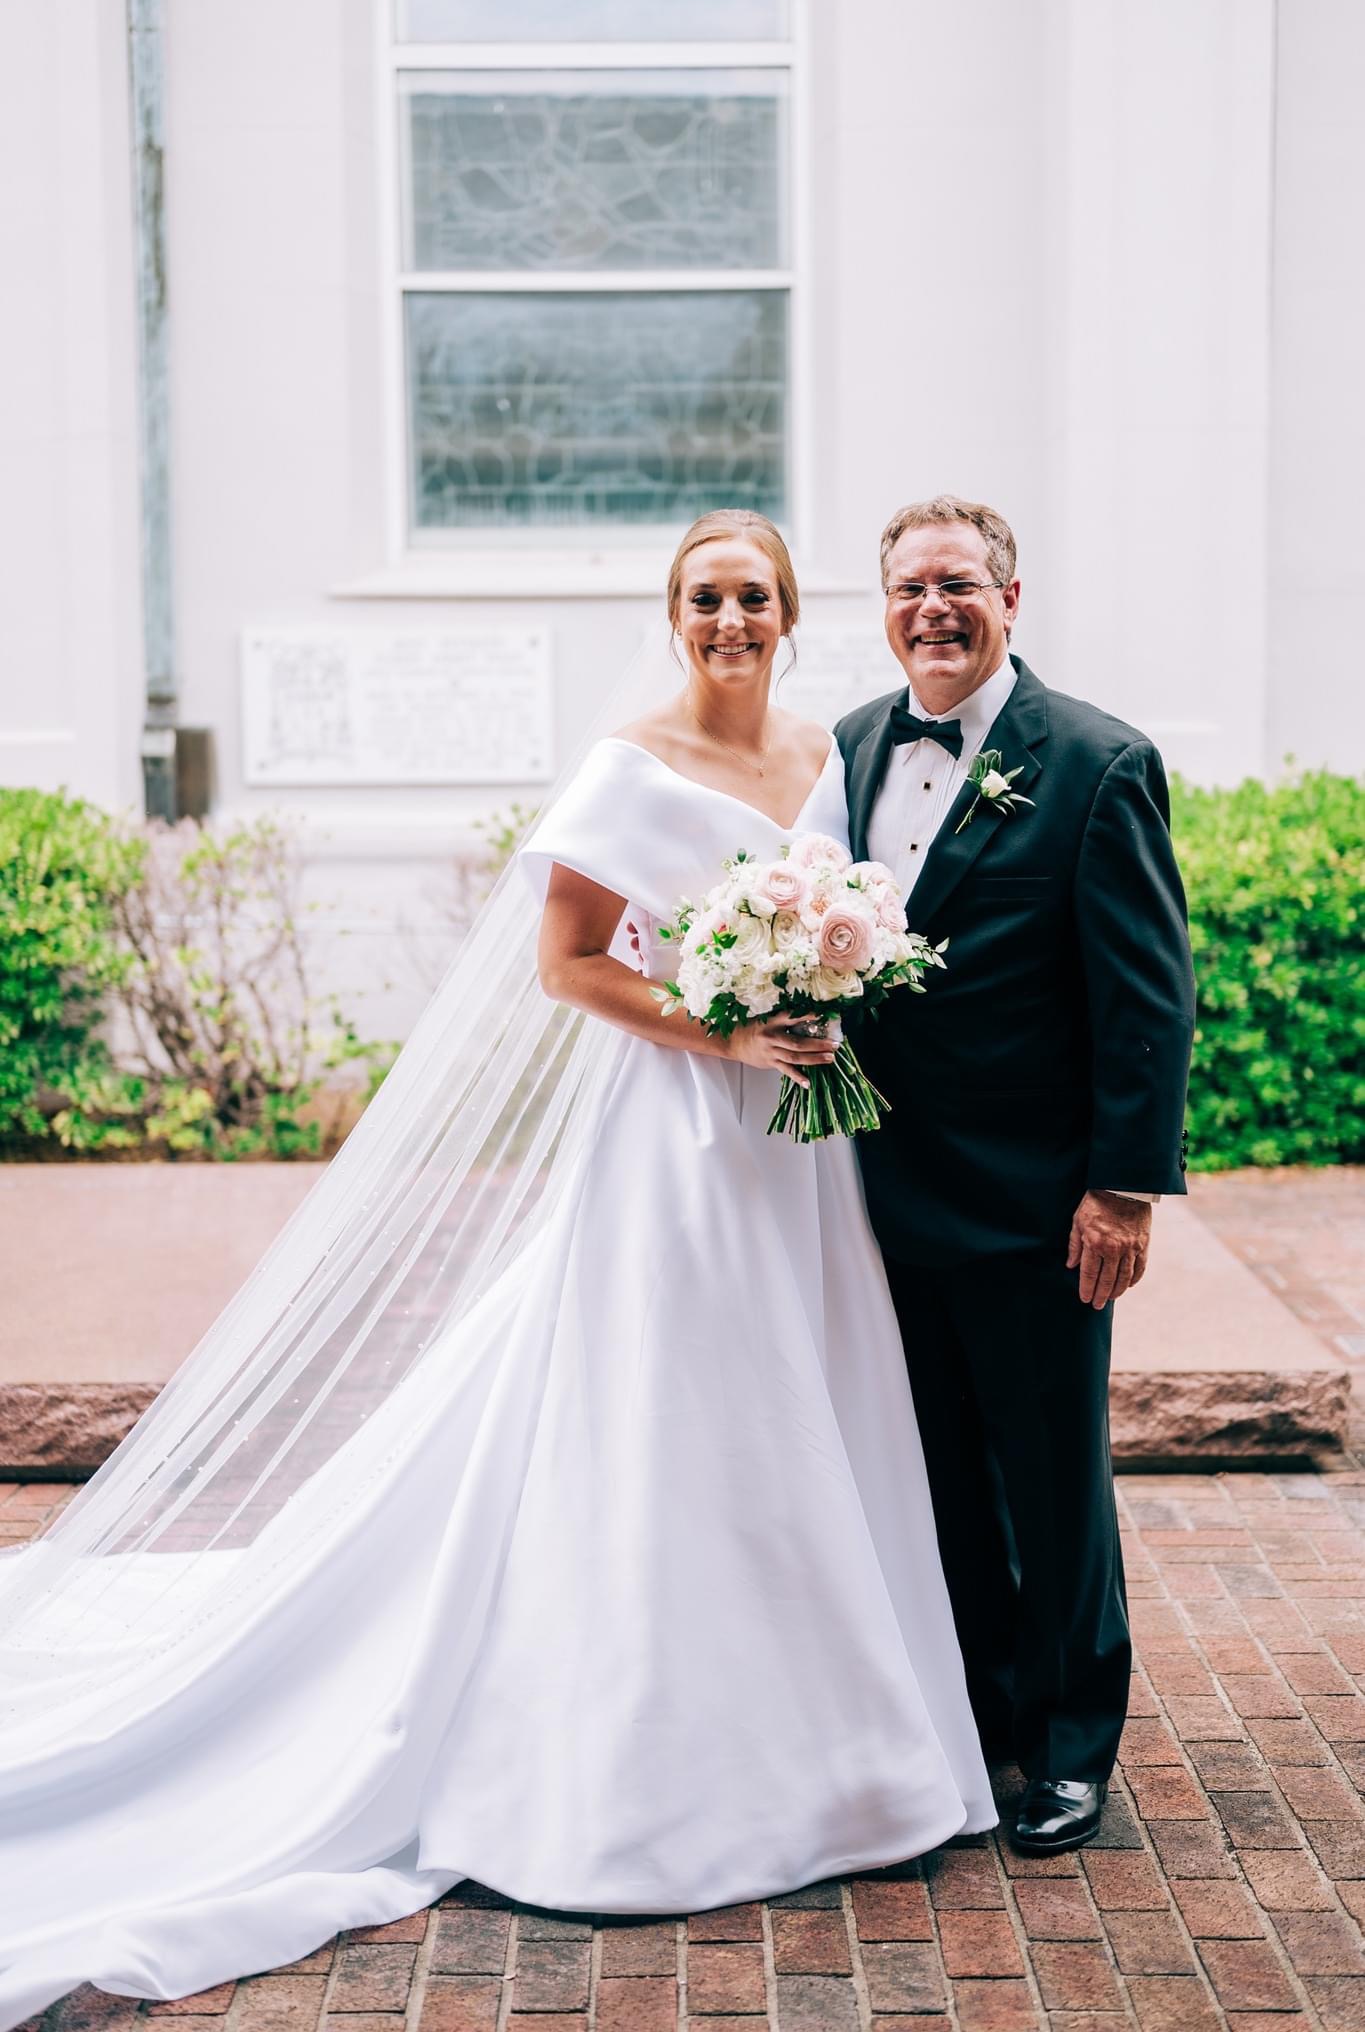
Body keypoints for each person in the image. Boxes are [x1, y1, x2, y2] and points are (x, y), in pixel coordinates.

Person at [0, 511, 993, 2031]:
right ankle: (657, 1757)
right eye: (705, 598)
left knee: (811, 1401)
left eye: (753, 596)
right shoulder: (628, 766)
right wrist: (722, 1028)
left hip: (801, 1149)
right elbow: (569, 964)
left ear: (792, 615)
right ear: (675, 615)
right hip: (677, 1142)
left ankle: (843, 1740)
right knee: (679, 1411)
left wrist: (821, 992)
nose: (730, 619)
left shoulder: (828, 755)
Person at [836, 495, 1196, 1854]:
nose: (932, 609)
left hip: (1039, 1205)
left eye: (957, 585)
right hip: (875, 1197)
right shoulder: (848, 748)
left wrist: (1122, 1188)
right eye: (908, 588)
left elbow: (1146, 994)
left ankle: (1068, 1746)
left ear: (1009, 598)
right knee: (937, 1474)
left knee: (1051, 1484)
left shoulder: (1098, 763)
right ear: (884, 608)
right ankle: (981, 1721)